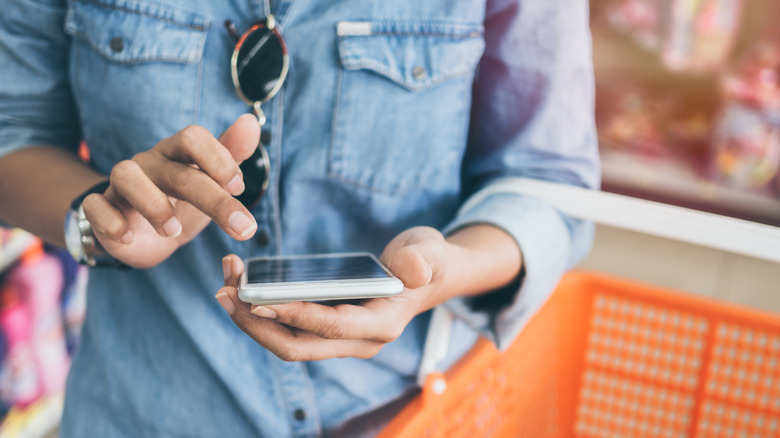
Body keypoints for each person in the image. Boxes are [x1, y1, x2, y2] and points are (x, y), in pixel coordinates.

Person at [0, 0, 599, 436]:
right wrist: (99, 219)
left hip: (410, 415)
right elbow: (13, 131)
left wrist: (443, 271)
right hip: (137, 412)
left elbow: (547, 181)